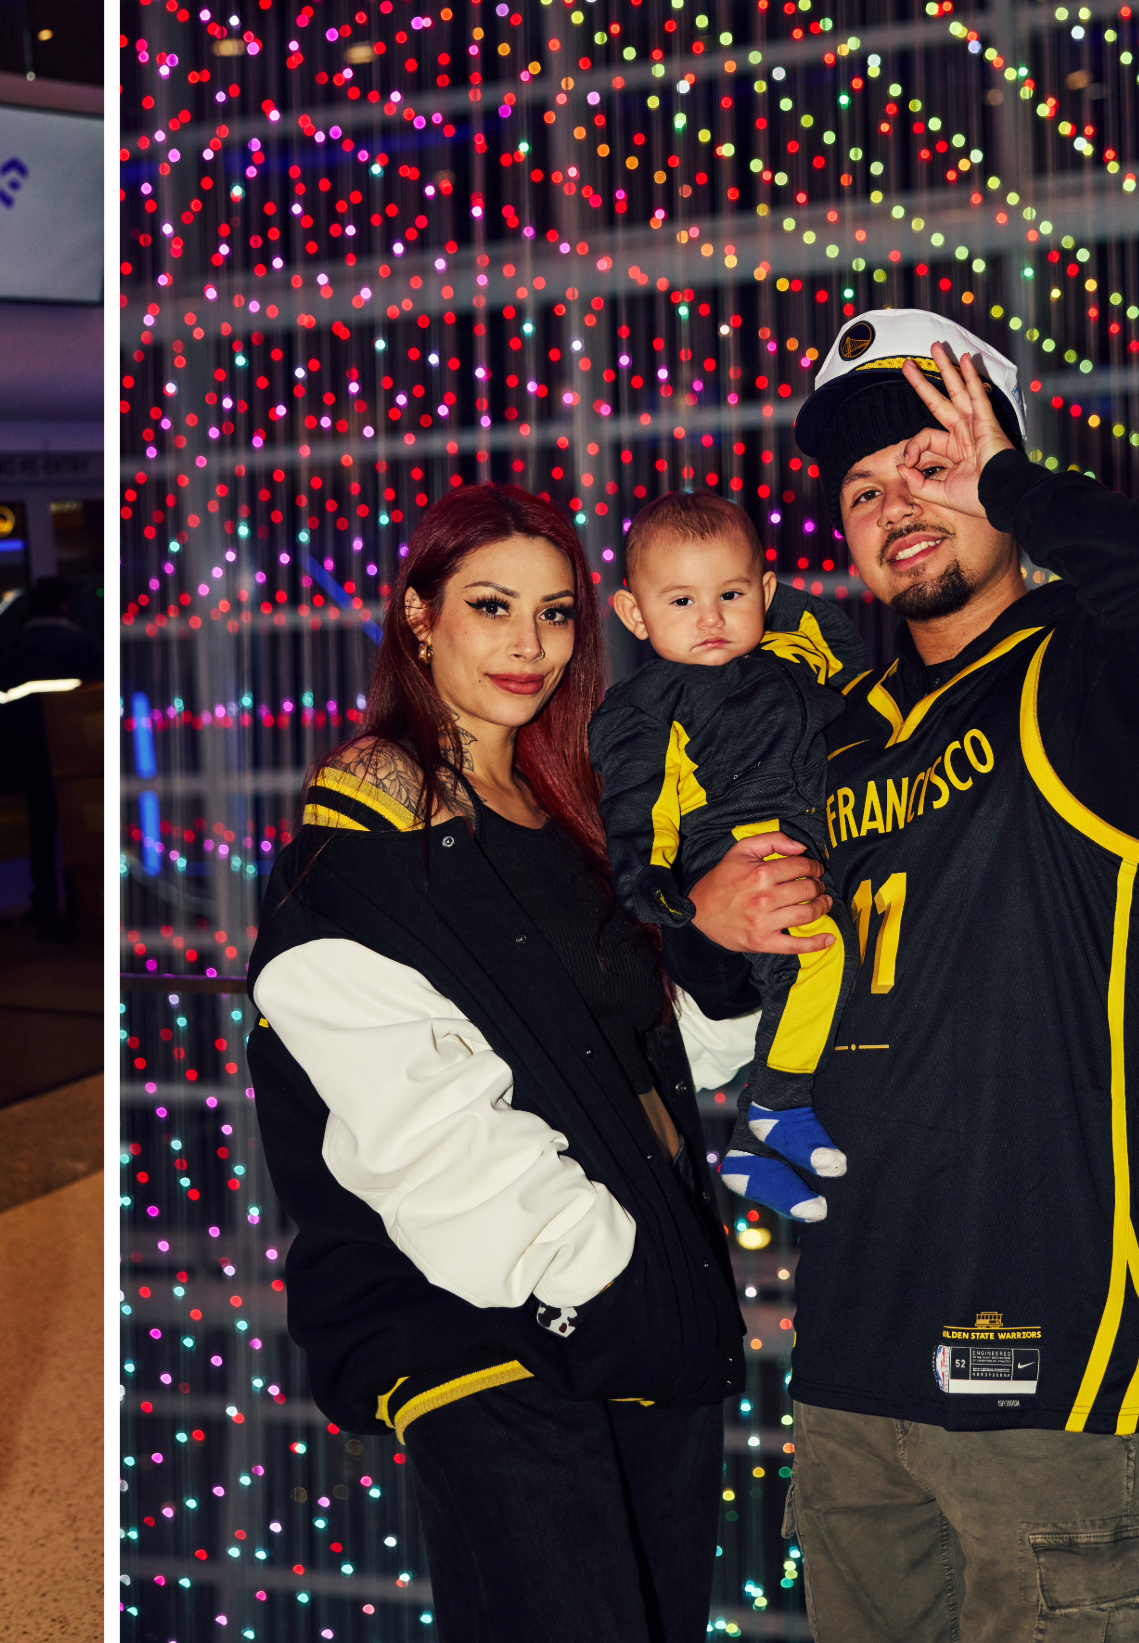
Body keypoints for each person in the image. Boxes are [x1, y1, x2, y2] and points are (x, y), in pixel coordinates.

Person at [682, 311, 1139, 1638]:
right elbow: (729, 989)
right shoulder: (837, 734)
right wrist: (710, 924)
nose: (892, 505)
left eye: (928, 463)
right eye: (862, 489)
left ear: (1001, 471)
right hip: (849, 1348)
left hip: (1039, 1363)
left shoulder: (1084, 680)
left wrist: (1012, 482)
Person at [245, 483, 743, 1642]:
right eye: (490, 605)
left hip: (642, 1300)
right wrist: (601, 1269)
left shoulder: (573, 811)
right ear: (420, 615)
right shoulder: (365, 837)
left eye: (558, 612)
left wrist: (721, 938)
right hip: (494, 1320)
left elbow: (669, 1045)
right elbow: (412, 1118)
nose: (529, 644)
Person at [589, 491, 870, 1221]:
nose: (710, 618)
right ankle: (773, 1111)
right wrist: (656, 887)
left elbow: (842, 655)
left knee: (828, 978)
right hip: (733, 850)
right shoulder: (651, 700)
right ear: (635, 615)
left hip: (812, 844)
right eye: (680, 600)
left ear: (764, 595)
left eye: (731, 594)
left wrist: (775, 612)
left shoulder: (788, 660)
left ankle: (753, 1146)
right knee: (817, 955)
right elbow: (639, 801)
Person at [0, 575, 100, 934]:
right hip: (80, 757)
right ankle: (83, 906)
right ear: (65, 606)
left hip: (31, 749)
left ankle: (46, 903)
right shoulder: (84, 644)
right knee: (80, 829)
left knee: (42, 828)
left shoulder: (14, 646)